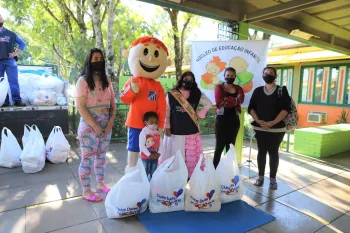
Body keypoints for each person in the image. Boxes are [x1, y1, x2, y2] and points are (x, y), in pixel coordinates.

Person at [120, 36, 170, 169]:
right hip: (136, 123)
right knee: (134, 150)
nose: (150, 59)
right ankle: (131, 175)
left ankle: (148, 178)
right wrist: (132, 90)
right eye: (146, 53)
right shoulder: (132, 80)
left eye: (156, 54)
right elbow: (123, 98)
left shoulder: (157, 86)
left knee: (150, 152)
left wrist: (160, 126)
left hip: (152, 127)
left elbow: (161, 107)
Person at [75, 48, 116, 202]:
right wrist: (95, 126)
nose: (98, 60)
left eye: (101, 58)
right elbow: (81, 107)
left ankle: (100, 184)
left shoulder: (107, 81)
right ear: (89, 61)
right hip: (89, 125)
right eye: (95, 58)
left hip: (106, 124)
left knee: (102, 157)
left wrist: (110, 122)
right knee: (87, 158)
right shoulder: (83, 81)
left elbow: (113, 104)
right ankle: (86, 191)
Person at [248, 66, 291, 190]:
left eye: (271, 73)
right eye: (266, 73)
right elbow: (251, 107)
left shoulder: (281, 90)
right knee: (261, 152)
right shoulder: (257, 91)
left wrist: (273, 122)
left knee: (273, 152)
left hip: (277, 129)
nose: (268, 75)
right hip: (260, 128)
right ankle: (260, 177)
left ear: (275, 76)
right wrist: (258, 120)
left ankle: (273, 180)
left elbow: (286, 109)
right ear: (262, 75)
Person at [164, 71, 212, 178]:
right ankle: (175, 177)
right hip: (176, 130)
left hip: (191, 131)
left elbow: (209, 103)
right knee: (176, 156)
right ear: (181, 79)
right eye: (186, 79)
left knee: (190, 157)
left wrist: (201, 113)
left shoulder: (196, 93)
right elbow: (166, 111)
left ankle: (189, 178)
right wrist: (166, 126)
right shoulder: (172, 94)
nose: (188, 81)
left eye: (190, 80)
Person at [213, 67, 244, 168]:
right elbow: (219, 102)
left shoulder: (239, 88)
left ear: (235, 76)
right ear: (224, 76)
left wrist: (227, 100)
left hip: (234, 121)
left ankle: (228, 171)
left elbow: (241, 100)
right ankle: (215, 170)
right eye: (227, 75)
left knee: (230, 147)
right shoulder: (219, 87)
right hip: (221, 121)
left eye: (232, 75)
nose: (229, 77)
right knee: (219, 147)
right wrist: (234, 100)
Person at [0, 14, 26, 107]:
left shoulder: (10, 34)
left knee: (13, 81)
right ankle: (4, 101)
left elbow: (22, 44)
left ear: (3, 20)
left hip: (10, 62)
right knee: (0, 83)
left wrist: (15, 53)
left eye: (0, 17)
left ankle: (17, 100)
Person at [139, 111, 162, 179]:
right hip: (146, 158)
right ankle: (144, 186)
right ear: (146, 123)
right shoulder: (143, 133)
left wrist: (159, 153)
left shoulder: (157, 133)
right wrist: (149, 155)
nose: (154, 124)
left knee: (154, 173)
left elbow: (161, 144)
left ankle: (152, 186)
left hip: (155, 157)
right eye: (151, 122)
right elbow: (142, 146)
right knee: (145, 172)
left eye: (156, 122)